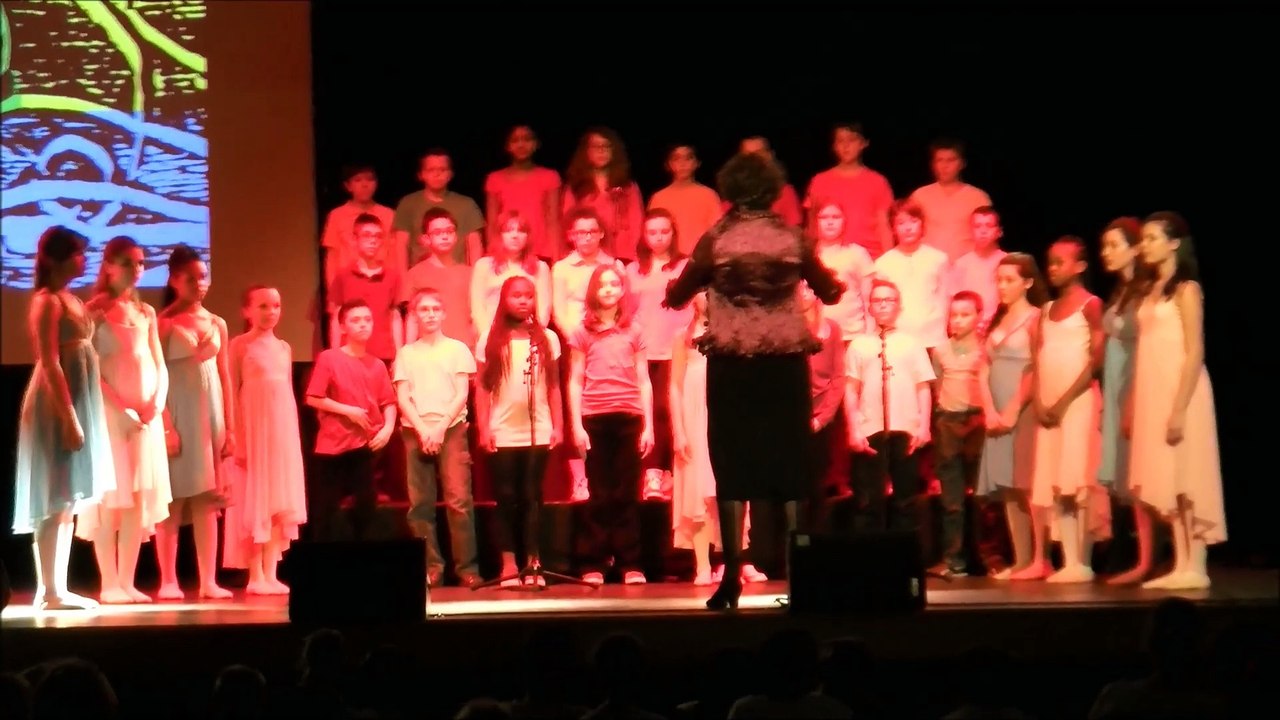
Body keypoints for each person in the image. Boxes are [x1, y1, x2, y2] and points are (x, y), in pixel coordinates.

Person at [665, 152, 844, 610]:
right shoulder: (791, 237)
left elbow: (678, 292)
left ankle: (731, 581)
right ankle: (801, 574)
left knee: (733, 468)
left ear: (730, 192)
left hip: (733, 366)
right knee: (789, 468)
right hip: (784, 366)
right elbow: (829, 290)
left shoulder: (717, 238)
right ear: (771, 190)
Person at [12, 226, 114, 610]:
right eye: (76, 253)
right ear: (56, 259)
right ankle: (48, 590)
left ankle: (58, 587)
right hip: (55, 403)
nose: (82, 260)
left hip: (78, 395)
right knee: (53, 495)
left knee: (67, 499)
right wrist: (69, 416)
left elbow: (81, 340)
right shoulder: (47, 302)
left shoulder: (70, 299)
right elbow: (51, 361)